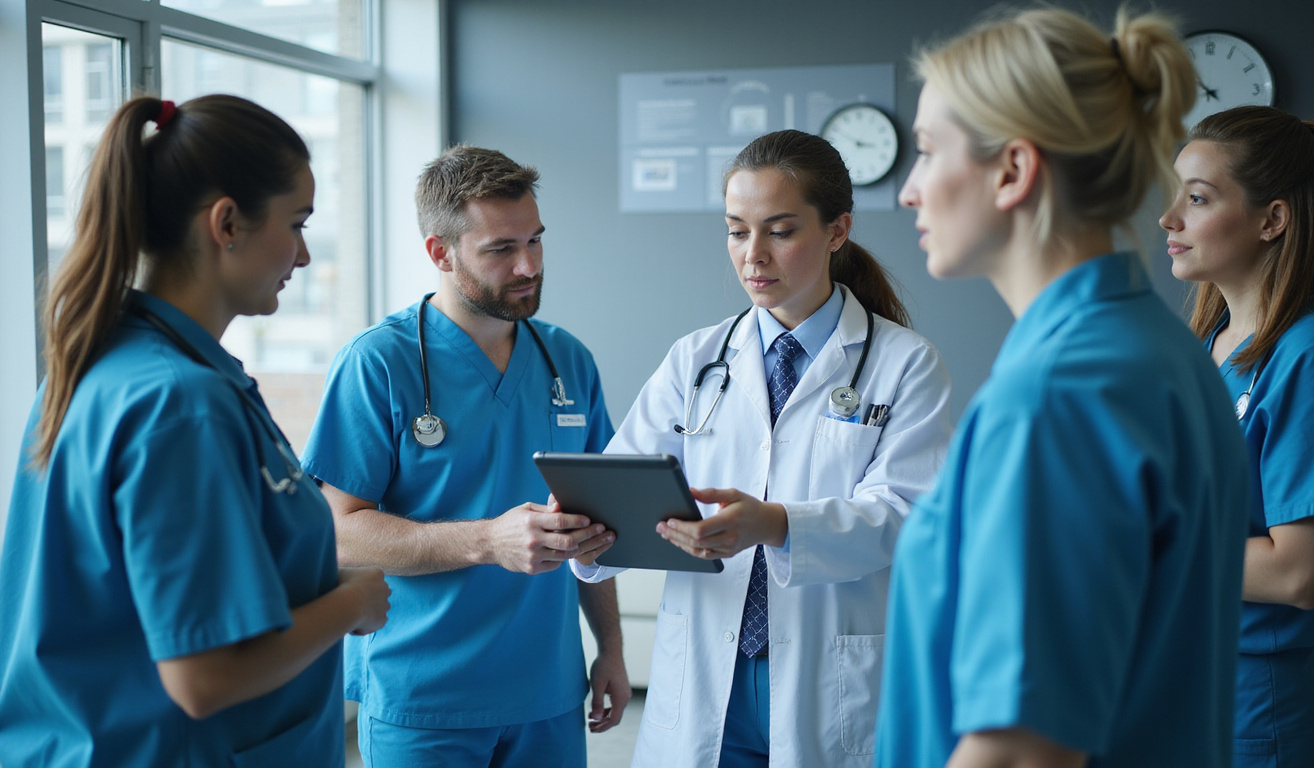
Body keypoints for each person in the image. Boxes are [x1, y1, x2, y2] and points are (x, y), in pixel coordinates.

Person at [876, 8, 1251, 768]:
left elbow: (1021, 750)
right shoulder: (1157, 348)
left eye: (928, 152)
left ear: (1013, 171)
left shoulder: (1058, 394)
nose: (910, 191)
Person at [0, 95, 391, 768]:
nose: (303, 255)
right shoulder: (182, 404)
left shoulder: (105, 364)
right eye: (296, 224)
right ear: (227, 222)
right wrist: (351, 603)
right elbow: (204, 678)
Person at [573, 128, 954, 768]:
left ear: (837, 231)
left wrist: (776, 525)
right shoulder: (695, 359)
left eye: (780, 231)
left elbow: (910, 515)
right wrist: (587, 531)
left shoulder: (905, 364)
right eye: (736, 230)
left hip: (827, 681)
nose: (753, 255)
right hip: (704, 675)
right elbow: (625, 484)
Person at [301, 145, 630, 767]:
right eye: (501, 249)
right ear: (440, 253)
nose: (529, 265)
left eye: (535, 240)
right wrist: (486, 541)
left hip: (546, 690)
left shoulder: (568, 360)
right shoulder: (378, 363)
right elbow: (337, 534)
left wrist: (610, 648)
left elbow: (599, 523)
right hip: (424, 697)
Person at [1160, 105, 1314, 768]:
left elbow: (1300, 573)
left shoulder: (1312, 352)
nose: (1169, 219)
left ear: (1273, 219)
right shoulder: (1208, 345)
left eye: (1197, 198)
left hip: (1264, 709)